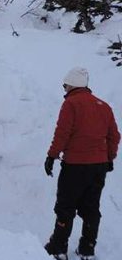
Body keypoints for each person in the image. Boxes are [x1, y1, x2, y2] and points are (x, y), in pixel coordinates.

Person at [43, 67, 120, 260]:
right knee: (91, 207)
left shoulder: (71, 104)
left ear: (72, 84)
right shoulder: (104, 106)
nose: (64, 88)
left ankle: (58, 247)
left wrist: (51, 156)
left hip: (75, 166)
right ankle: (87, 248)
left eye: (65, 85)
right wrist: (109, 158)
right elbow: (114, 136)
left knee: (66, 206)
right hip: (98, 167)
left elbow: (63, 132)